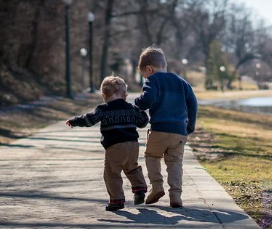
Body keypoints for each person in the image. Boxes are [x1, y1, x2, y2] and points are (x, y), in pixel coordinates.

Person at [66, 75, 149, 211]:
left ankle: (117, 200)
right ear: (125, 95)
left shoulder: (103, 109)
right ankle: (139, 189)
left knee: (112, 173)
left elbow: (90, 120)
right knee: (132, 167)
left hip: (115, 146)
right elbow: (142, 122)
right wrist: (143, 112)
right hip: (133, 145)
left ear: (103, 95)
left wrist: (75, 121)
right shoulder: (131, 108)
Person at [135, 46, 197, 208]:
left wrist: (138, 103)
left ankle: (157, 187)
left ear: (149, 69)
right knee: (175, 162)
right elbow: (193, 103)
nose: (145, 78)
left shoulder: (152, 80)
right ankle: (176, 195)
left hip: (159, 129)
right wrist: (189, 126)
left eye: (143, 75)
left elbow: (147, 100)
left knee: (152, 156)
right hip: (179, 131)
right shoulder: (181, 82)